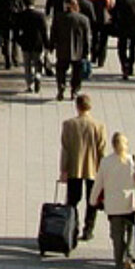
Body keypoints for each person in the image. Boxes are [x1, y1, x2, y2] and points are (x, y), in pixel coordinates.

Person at [89, 131, 135, 269]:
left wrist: (93, 200)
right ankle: (128, 256)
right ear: (126, 145)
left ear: (113, 145)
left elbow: (99, 183)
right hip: (130, 203)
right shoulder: (133, 160)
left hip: (113, 205)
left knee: (116, 235)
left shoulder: (106, 162)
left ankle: (118, 262)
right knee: (130, 232)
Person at [59, 93, 108, 242]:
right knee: (92, 200)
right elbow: (102, 150)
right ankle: (88, 229)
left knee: (73, 199)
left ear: (77, 106)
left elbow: (65, 149)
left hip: (74, 167)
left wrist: (63, 170)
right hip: (94, 168)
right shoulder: (99, 126)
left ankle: (73, 227)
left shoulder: (69, 124)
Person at [49, 0, 93, 99]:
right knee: (77, 72)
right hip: (78, 50)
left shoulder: (58, 17)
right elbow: (87, 37)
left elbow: (53, 33)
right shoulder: (83, 19)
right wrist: (87, 51)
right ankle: (74, 90)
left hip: (62, 49)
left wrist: (51, 46)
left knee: (60, 70)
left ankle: (61, 86)